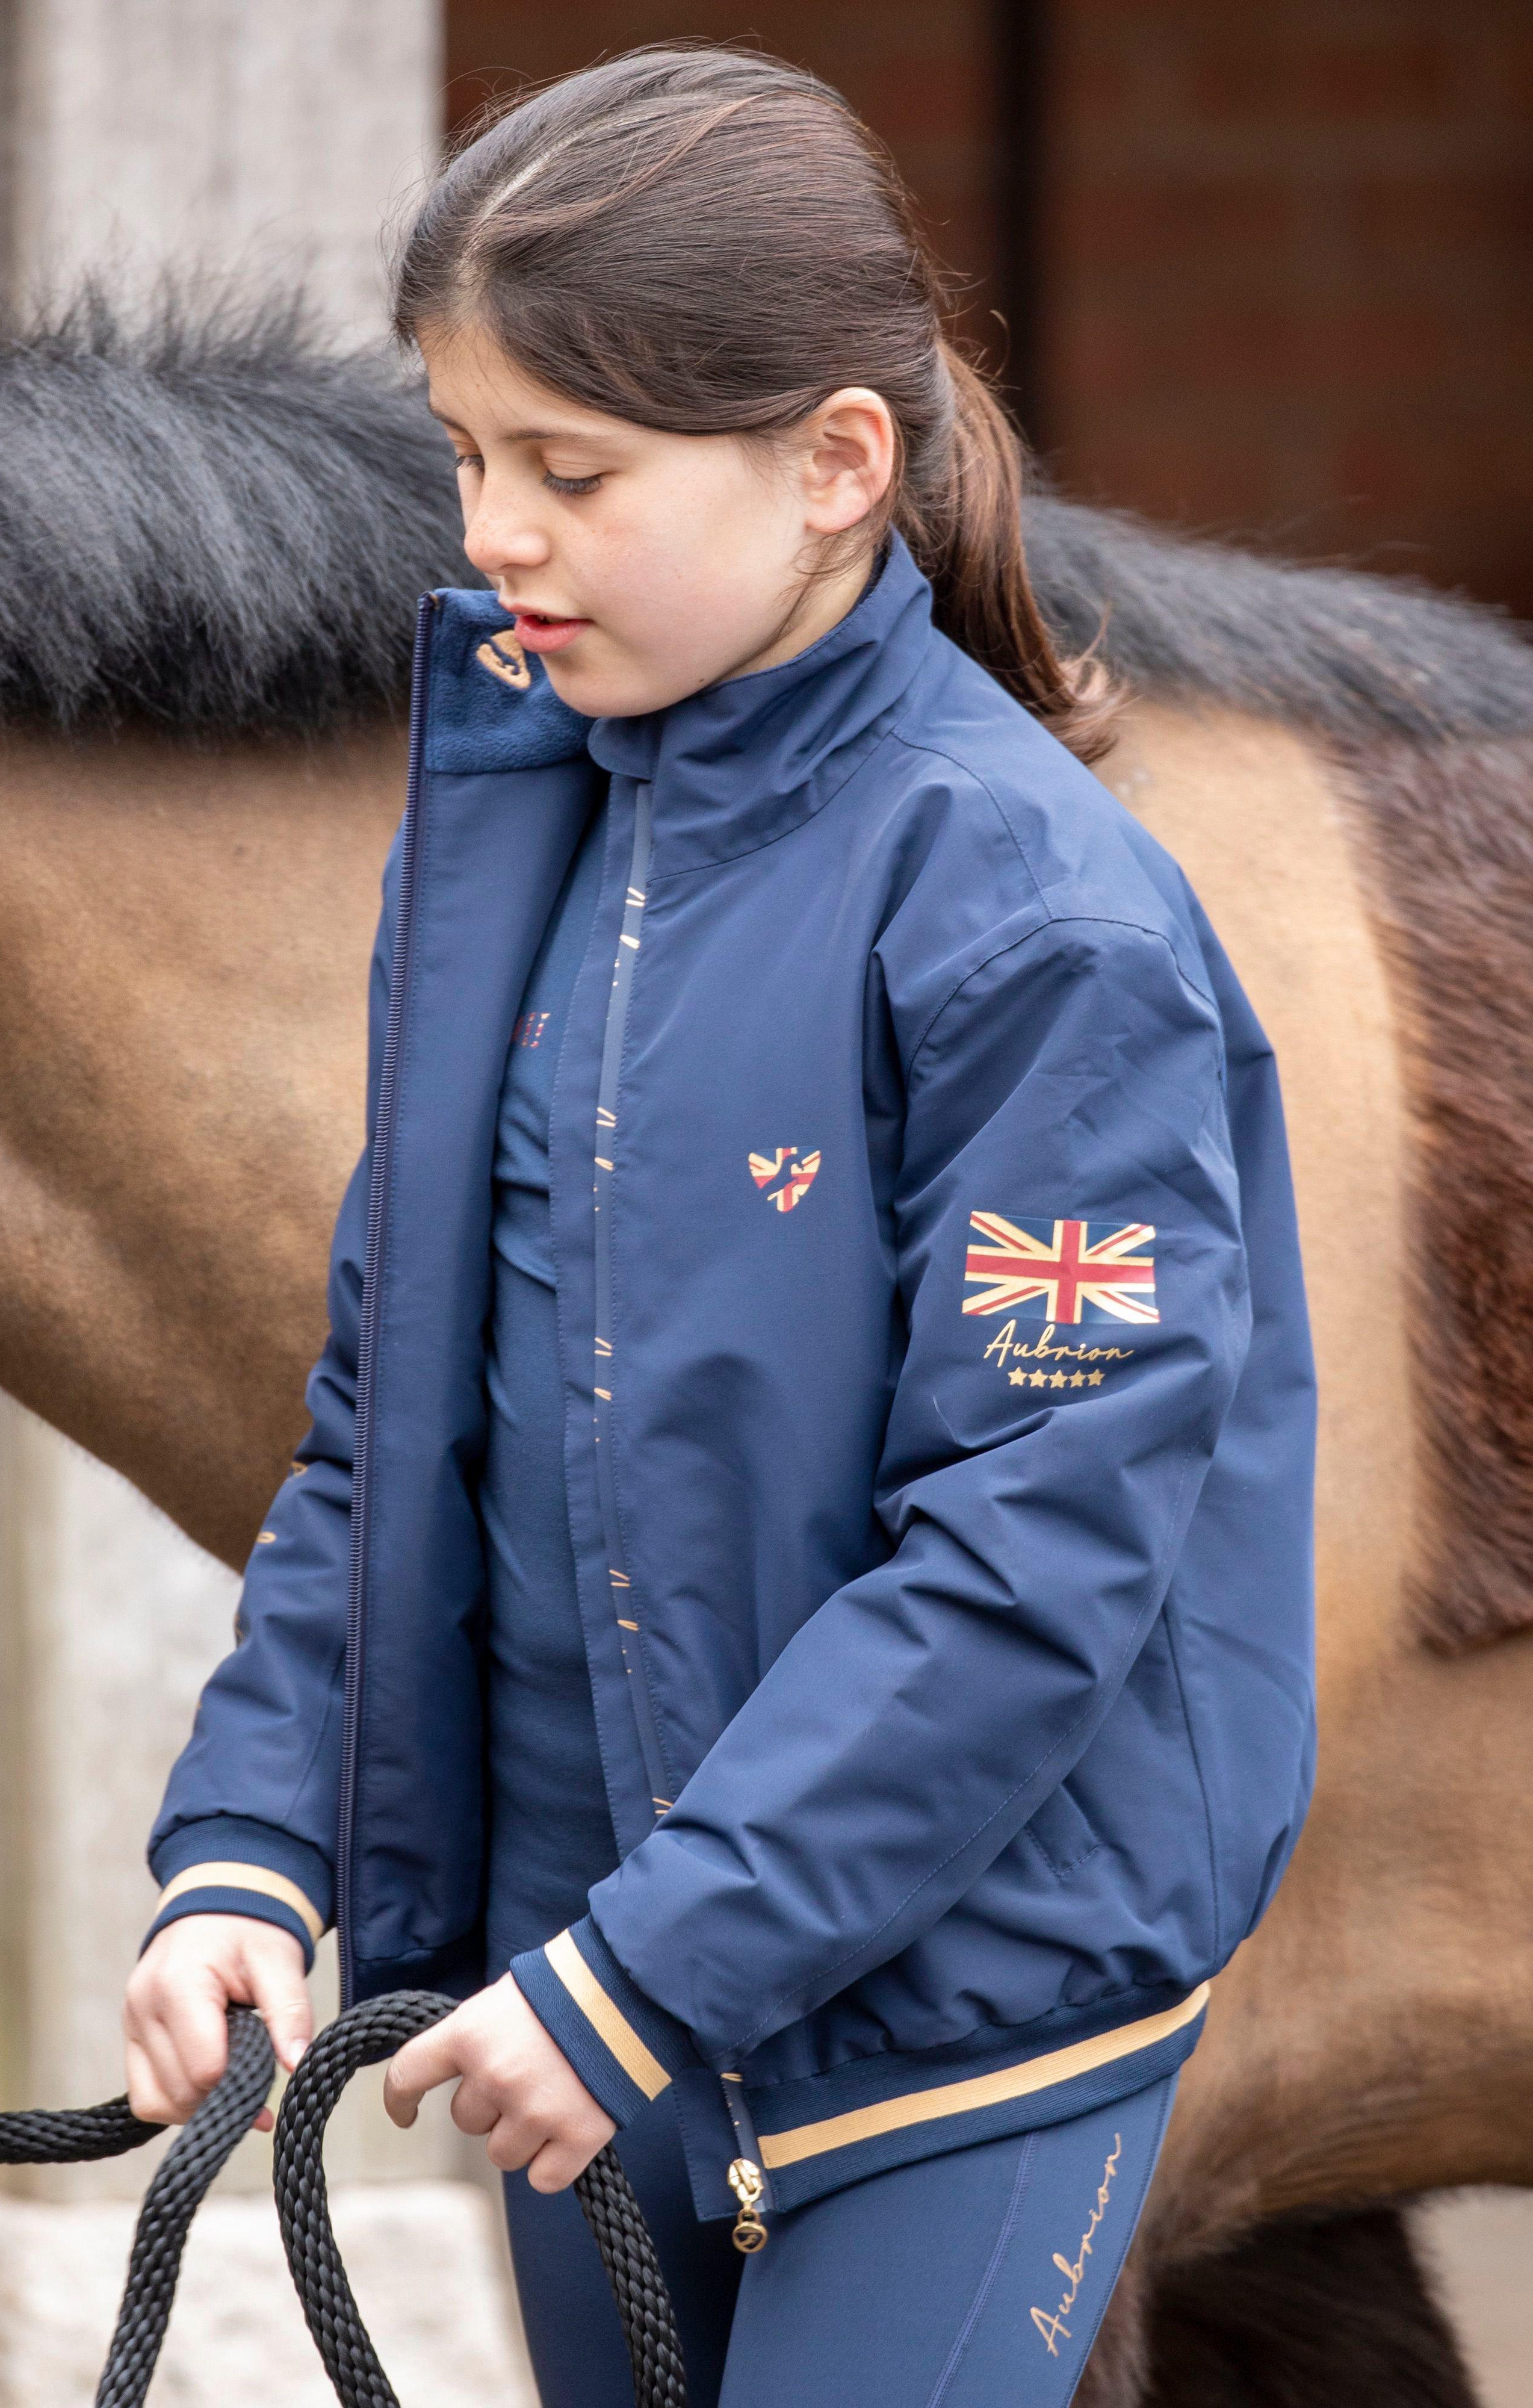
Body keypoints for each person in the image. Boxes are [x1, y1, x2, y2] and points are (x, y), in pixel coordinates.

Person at [123, 46, 1315, 2407]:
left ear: (835, 468)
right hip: (593, 2002)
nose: (499, 539)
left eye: (570, 471)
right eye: (467, 459)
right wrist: (255, 1837)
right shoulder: (515, 830)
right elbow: (393, 1417)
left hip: (950, 2017)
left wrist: (657, 1965)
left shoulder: (1035, 913)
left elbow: (1036, 1545)